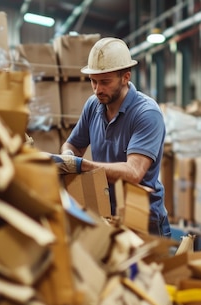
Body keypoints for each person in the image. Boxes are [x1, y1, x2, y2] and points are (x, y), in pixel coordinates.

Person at [51, 37, 171, 238]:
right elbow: (73, 144)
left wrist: (81, 165)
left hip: (142, 219)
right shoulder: (93, 105)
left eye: (105, 82)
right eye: (93, 81)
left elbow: (134, 172)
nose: (98, 89)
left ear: (126, 77)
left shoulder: (147, 113)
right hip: (104, 214)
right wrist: (68, 157)